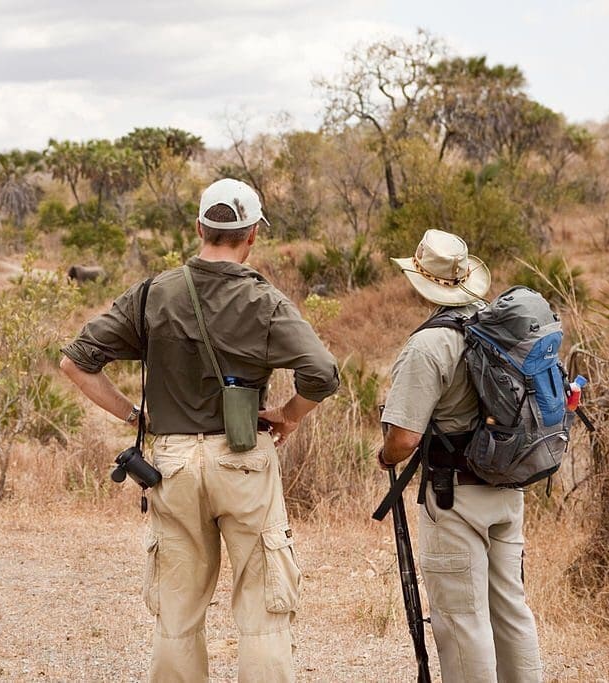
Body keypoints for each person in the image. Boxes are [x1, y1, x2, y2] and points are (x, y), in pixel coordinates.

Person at [60, 178, 339, 682]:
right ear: (252, 234)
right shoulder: (265, 301)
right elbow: (322, 372)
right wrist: (290, 415)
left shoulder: (153, 293)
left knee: (178, 612)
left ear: (199, 228)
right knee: (262, 611)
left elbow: (76, 362)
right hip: (244, 460)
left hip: (171, 465)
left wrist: (133, 416)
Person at [378, 229, 543, 682]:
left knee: (462, 619)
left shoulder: (430, 345)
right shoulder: (502, 326)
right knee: (511, 609)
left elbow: (404, 439)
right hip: (508, 489)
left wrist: (384, 454)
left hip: (454, 500)